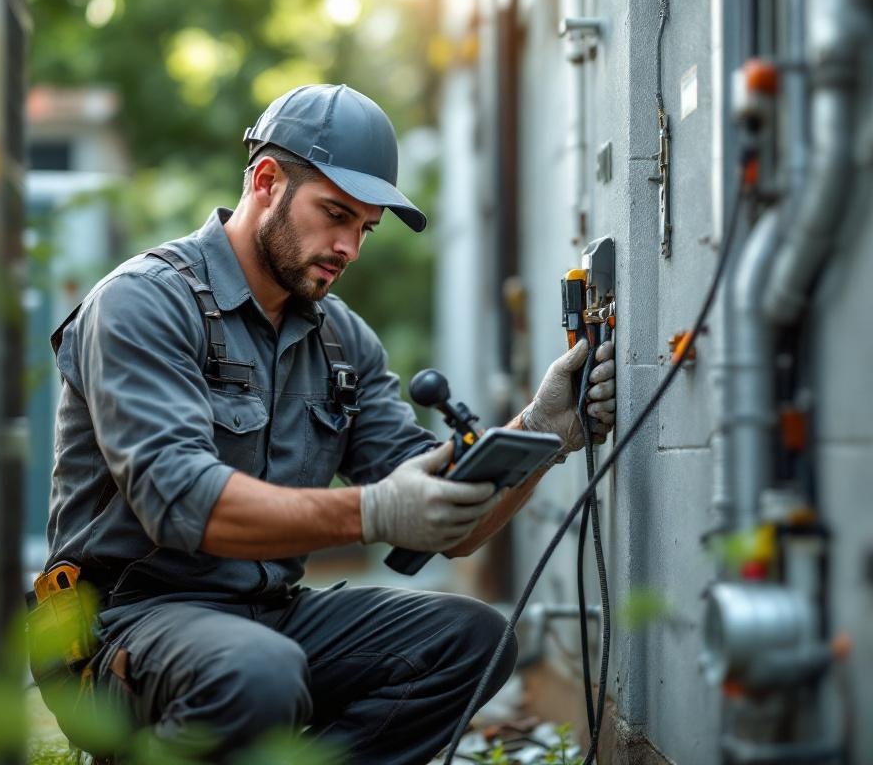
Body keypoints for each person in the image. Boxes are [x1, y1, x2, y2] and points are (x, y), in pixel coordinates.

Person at [38, 84, 616, 764]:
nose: (349, 247)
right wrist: (373, 511)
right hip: (123, 625)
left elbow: (449, 526)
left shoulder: (342, 341)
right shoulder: (143, 304)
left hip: (268, 619)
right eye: (335, 214)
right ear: (266, 180)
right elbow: (181, 502)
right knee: (256, 673)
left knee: (475, 640)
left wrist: (545, 431)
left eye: (365, 228)